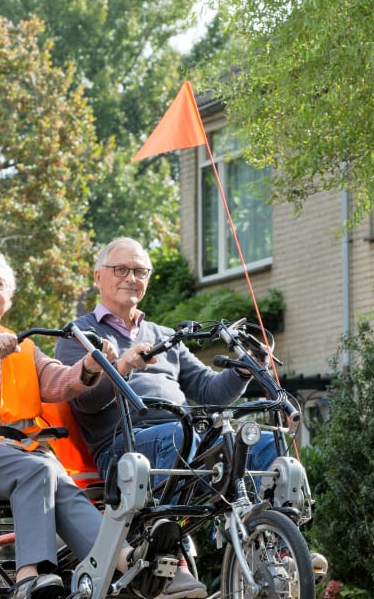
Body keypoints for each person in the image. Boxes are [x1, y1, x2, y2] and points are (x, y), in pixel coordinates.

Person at [0, 251, 149, 599]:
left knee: (62, 483)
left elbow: (57, 381)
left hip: (18, 452)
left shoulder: (22, 347)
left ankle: (125, 562)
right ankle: (29, 577)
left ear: (8, 298)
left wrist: (89, 366)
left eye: (0, 284)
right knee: (39, 470)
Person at [54, 237, 279, 599]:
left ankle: (275, 544)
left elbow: (208, 389)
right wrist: (123, 365)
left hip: (182, 435)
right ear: (98, 277)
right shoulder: (79, 333)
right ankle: (196, 554)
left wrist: (245, 367)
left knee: (264, 440)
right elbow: (83, 401)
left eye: (140, 270)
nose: (131, 277)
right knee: (183, 436)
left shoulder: (164, 335)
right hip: (126, 447)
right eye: (121, 269)